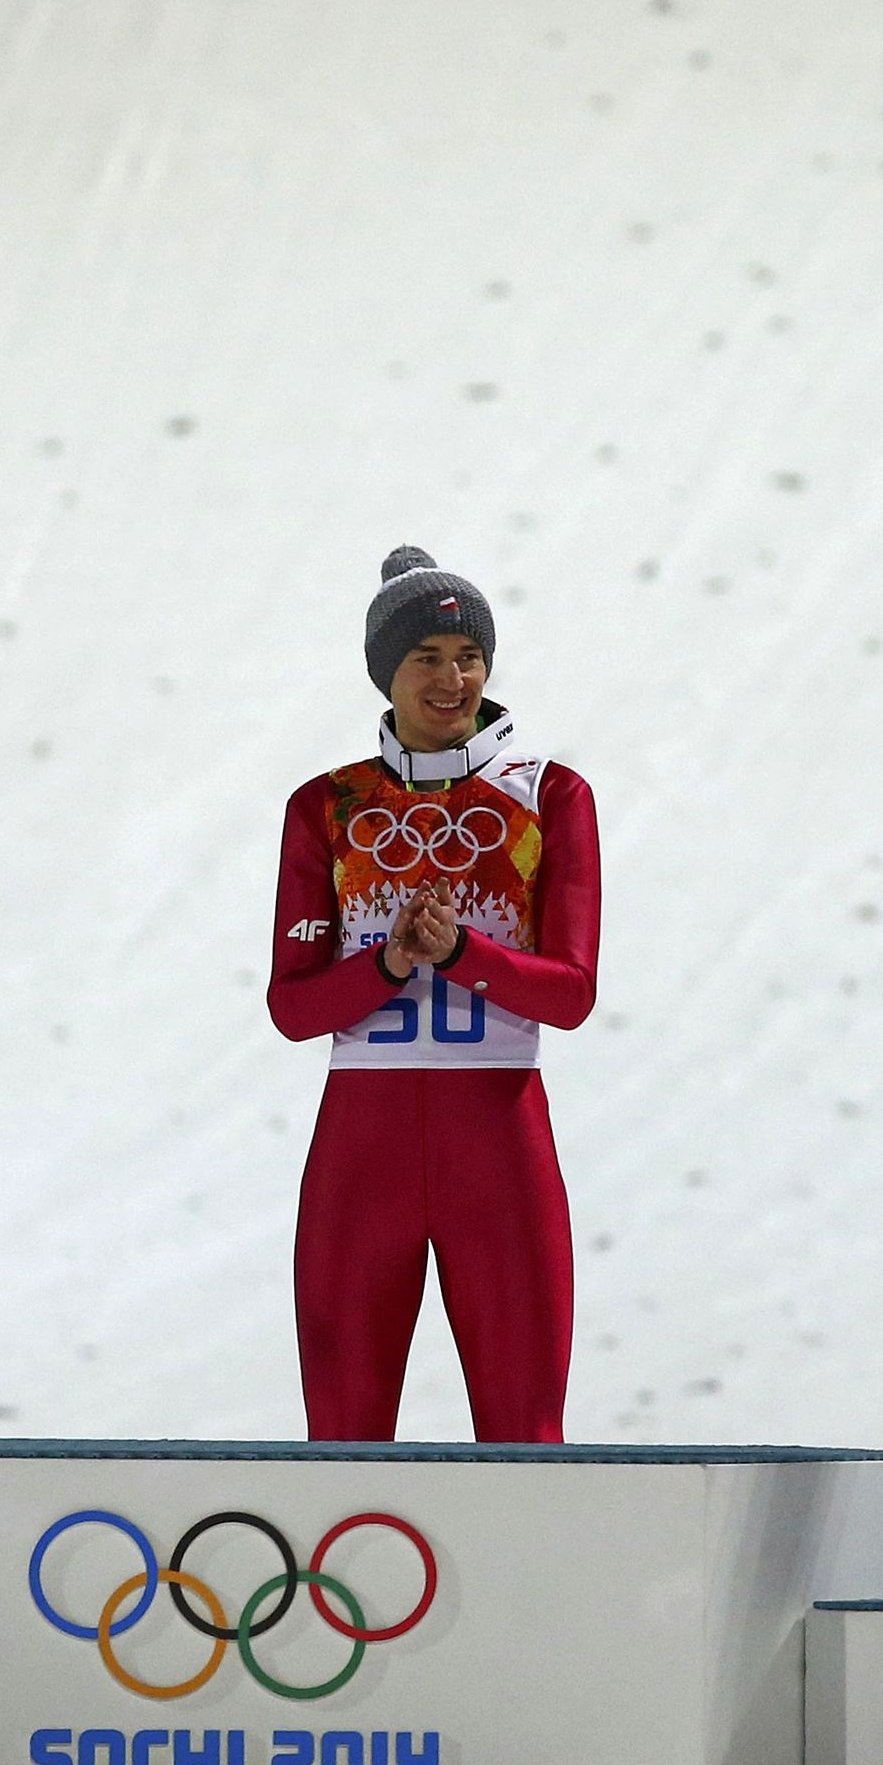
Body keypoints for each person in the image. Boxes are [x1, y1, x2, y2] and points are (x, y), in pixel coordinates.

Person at [267, 548, 599, 1442]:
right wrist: (385, 968)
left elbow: (569, 996)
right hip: (359, 1151)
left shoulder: (551, 796)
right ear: (387, 673)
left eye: (469, 655)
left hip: (498, 1135)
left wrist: (461, 954)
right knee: (341, 1436)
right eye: (426, 658)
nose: (452, 679)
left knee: (526, 1437)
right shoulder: (326, 807)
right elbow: (294, 1009)